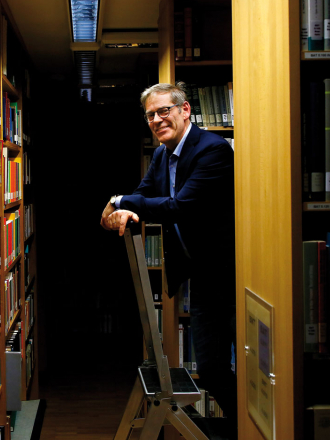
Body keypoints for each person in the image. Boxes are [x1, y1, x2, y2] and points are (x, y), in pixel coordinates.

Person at [100, 82, 237, 417]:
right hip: (202, 274)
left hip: (230, 273)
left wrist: (119, 201)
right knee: (212, 365)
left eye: (165, 111)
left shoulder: (213, 150)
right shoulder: (162, 153)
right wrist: (124, 212)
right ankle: (239, 426)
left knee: (236, 363)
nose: (158, 119)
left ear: (185, 110)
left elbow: (181, 206)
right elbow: (145, 193)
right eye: (151, 115)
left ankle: (245, 428)